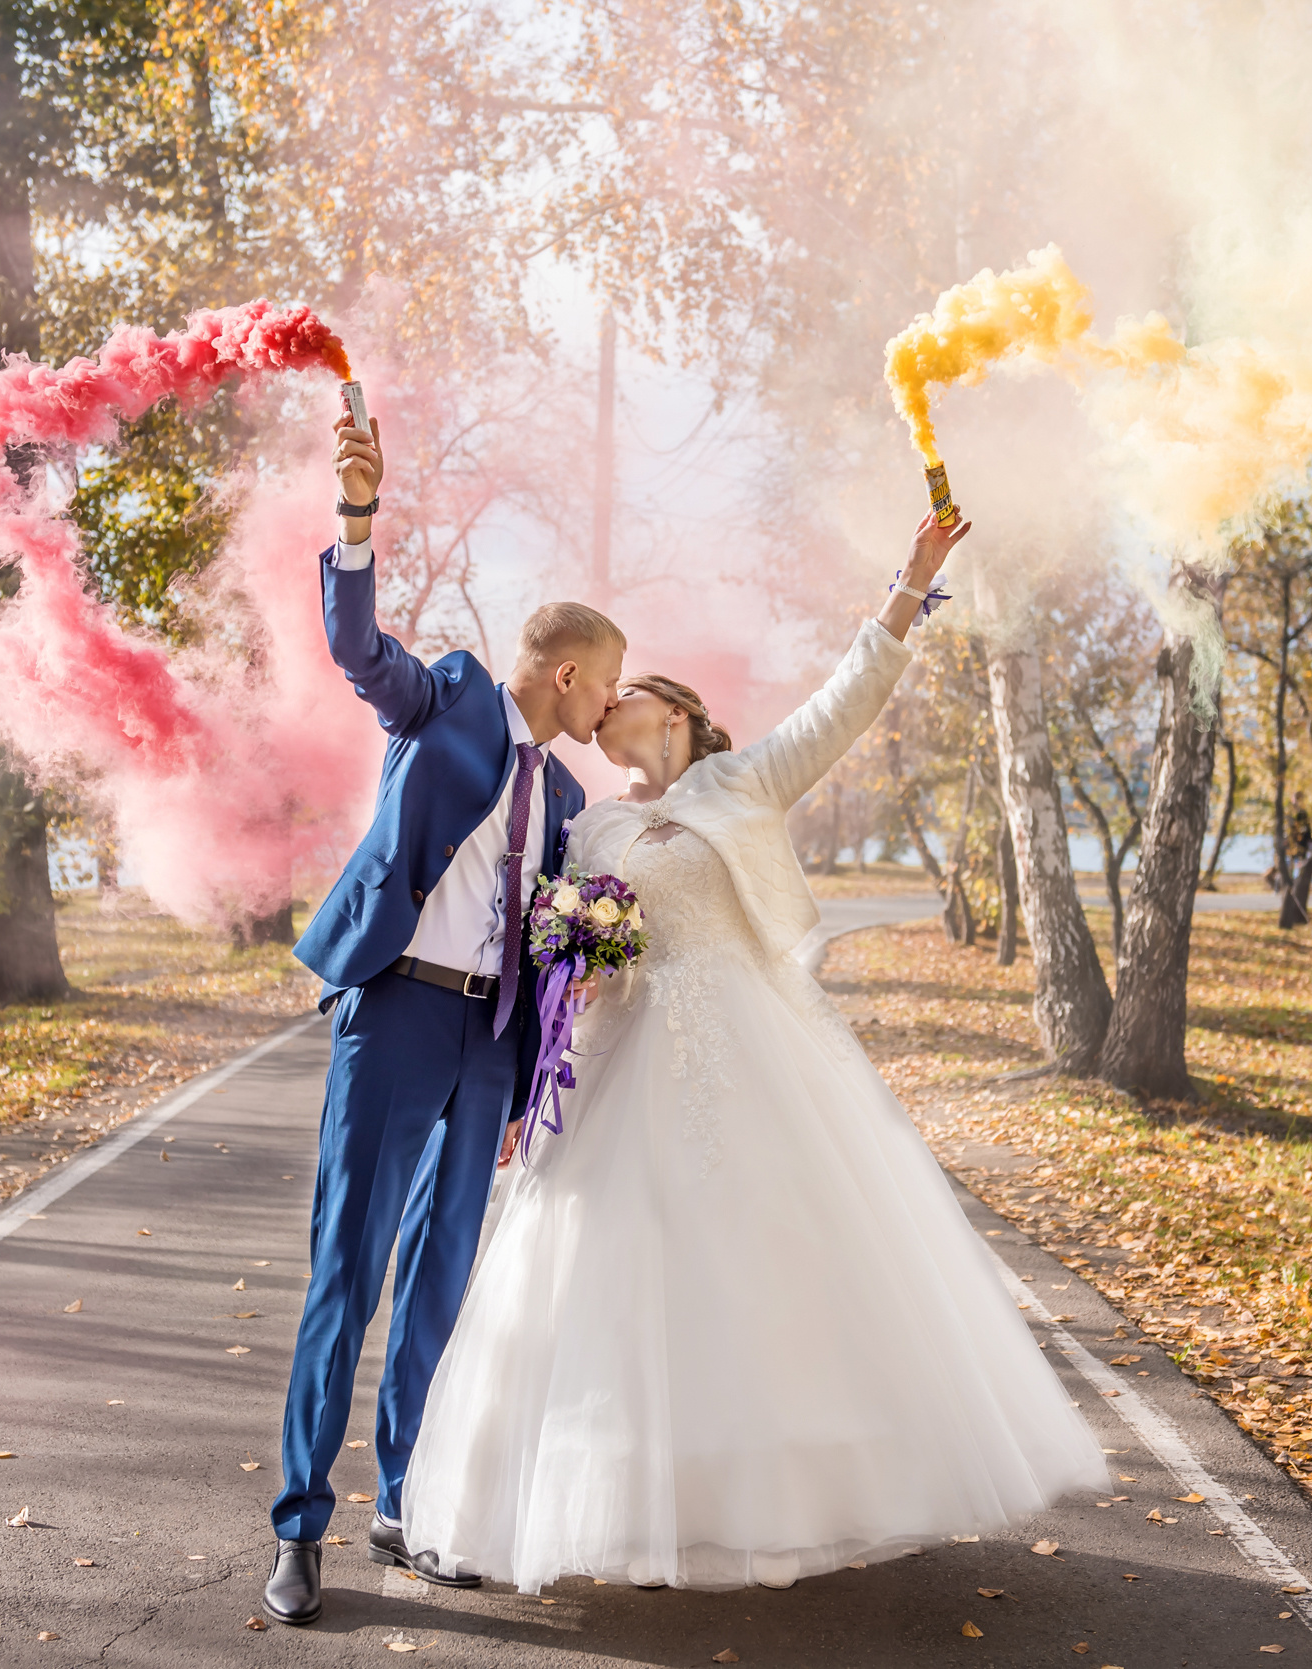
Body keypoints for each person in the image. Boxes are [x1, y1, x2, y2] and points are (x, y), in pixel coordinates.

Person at [401, 506, 1110, 1594]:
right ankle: (630, 1502)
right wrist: (567, 978)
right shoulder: (588, 828)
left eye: (630, 689)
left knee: (767, 1265)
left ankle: (783, 1497)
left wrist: (908, 586)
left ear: (678, 712)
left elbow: (845, 703)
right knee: (616, 1274)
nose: (609, 702)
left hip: (753, 1050)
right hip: (621, 1064)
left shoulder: (742, 784)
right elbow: (555, 949)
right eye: (602, 690)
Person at [262, 406, 624, 1626]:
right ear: (565, 672)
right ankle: (298, 1524)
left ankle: (405, 1505)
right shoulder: (455, 697)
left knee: (439, 1284)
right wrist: (357, 516)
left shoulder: (564, 795)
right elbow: (360, 649)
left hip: (486, 1047)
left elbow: (548, 938)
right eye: (605, 683)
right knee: (348, 1274)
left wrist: (531, 1066)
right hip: (397, 1016)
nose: (609, 704)